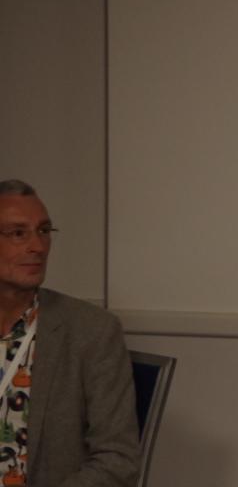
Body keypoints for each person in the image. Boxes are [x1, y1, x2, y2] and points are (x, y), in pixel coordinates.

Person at [0, 179, 139, 486]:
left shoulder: (91, 332)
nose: (38, 246)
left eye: (43, 231)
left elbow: (118, 459)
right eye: (18, 233)